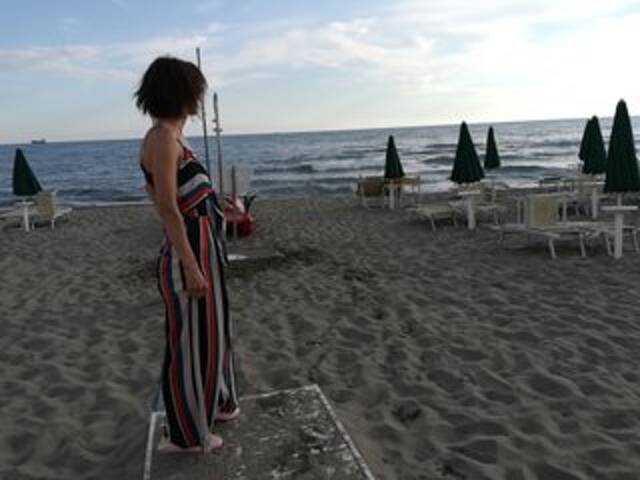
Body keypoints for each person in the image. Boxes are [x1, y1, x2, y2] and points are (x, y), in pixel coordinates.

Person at [135, 56, 239, 453]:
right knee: (191, 343)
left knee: (213, 332)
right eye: (195, 89)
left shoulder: (176, 138)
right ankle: (186, 435)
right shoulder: (162, 138)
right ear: (180, 92)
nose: (199, 97)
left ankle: (218, 401)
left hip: (205, 247)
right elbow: (166, 207)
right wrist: (192, 266)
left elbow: (182, 197)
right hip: (189, 253)